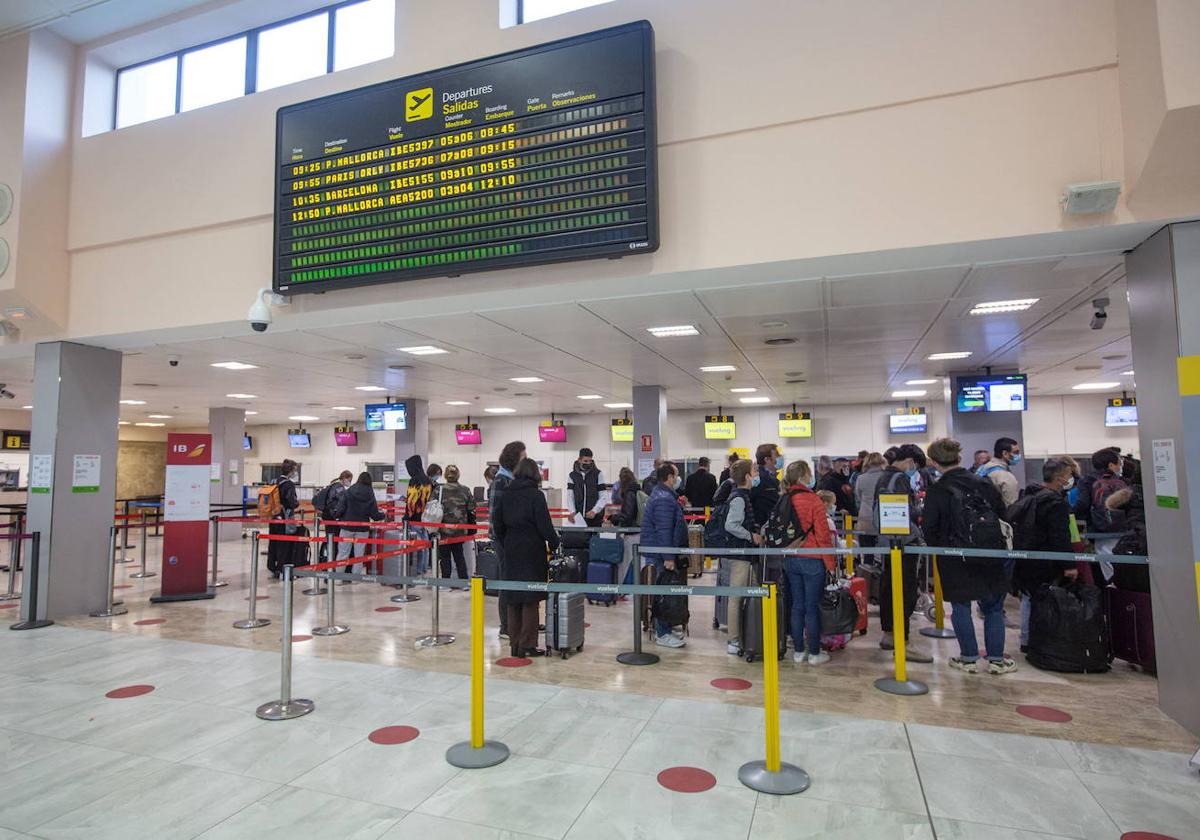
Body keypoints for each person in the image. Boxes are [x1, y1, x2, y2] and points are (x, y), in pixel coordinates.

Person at [923, 438, 1016, 675]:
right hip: (990, 551)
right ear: (959, 457)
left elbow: (930, 527)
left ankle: (969, 658)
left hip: (953, 554)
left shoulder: (937, 489)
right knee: (994, 607)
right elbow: (1002, 514)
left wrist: (939, 548)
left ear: (933, 462)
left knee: (961, 605)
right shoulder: (982, 482)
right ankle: (996, 659)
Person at [492, 457, 559, 658]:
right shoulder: (536, 496)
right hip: (532, 549)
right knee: (531, 598)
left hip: (512, 548)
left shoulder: (506, 494)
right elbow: (545, 525)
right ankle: (528, 645)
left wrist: (507, 542)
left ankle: (515, 644)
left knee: (513, 598)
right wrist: (555, 544)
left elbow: (497, 524)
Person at [872, 443, 933, 662]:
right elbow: (904, 511)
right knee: (904, 589)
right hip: (902, 542)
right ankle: (903, 641)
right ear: (909, 462)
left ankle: (890, 634)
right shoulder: (899, 479)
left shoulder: (884, 477)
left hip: (888, 542)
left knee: (889, 587)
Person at [1008, 458, 1076, 652]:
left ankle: (1027, 639)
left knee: (1028, 599)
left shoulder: (1029, 497)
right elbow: (1060, 536)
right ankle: (1040, 640)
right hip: (1046, 560)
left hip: (1027, 558)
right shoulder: (1055, 503)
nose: (1071, 479)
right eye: (1070, 475)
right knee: (1044, 599)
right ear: (1061, 478)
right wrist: (1069, 565)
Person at [781, 460, 836, 665]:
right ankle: (814, 653)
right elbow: (823, 535)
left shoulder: (785, 498)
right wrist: (830, 564)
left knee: (797, 605)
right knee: (811, 607)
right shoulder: (813, 500)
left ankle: (797, 651)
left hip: (790, 558)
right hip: (812, 558)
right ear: (805, 476)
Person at [640, 461, 688, 648]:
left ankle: (666, 627)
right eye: (675, 476)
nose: (677, 479)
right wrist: (668, 557)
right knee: (663, 592)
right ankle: (662, 633)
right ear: (668, 478)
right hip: (661, 554)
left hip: (661, 551)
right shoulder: (663, 499)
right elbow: (664, 530)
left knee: (666, 591)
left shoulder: (664, 496)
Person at [722, 459, 761, 655]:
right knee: (736, 597)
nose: (757, 474)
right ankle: (733, 640)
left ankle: (745, 635)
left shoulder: (743, 496)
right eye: (754, 470)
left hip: (746, 554)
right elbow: (731, 525)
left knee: (746, 595)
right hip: (740, 554)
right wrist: (750, 535)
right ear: (746, 476)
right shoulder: (738, 498)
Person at [489, 441, 526, 640]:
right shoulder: (500, 481)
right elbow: (495, 517)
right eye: (523, 457)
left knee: (513, 579)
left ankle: (516, 622)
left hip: (512, 540)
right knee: (506, 580)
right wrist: (504, 541)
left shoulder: (511, 479)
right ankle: (505, 626)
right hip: (503, 541)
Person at [1074, 447, 1128, 575]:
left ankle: (1112, 591)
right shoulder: (1122, 481)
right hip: (1123, 530)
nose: (1120, 467)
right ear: (1111, 465)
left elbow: (1083, 503)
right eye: (1119, 464)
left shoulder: (1087, 480)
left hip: (1100, 530)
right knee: (1123, 567)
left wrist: (1071, 514)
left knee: (1108, 568)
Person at [330, 472, 385, 575]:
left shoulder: (349, 490)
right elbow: (374, 515)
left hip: (347, 527)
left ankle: (338, 578)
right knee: (359, 555)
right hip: (362, 528)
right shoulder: (370, 493)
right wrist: (383, 515)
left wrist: (334, 515)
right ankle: (355, 578)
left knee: (343, 553)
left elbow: (341, 508)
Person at [437, 465, 475, 581]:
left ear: (445, 475)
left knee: (444, 557)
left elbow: (432, 507)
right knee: (459, 556)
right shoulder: (465, 490)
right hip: (460, 530)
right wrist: (472, 528)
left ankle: (445, 582)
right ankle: (463, 581)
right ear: (458, 475)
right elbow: (471, 510)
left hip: (443, 530)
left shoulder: (439, 490)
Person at [266, 459, 301, 579]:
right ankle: (282, 569)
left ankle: (272, 567)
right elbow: (292, 502)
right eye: (295, 470)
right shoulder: (288, 484)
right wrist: (296, 503)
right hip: (285, 517)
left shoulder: (273, 481)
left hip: (273, 516)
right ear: (290, 471)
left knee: (273, 542)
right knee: (284, 543)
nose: (295, 472)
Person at [404, 455, 434, 575]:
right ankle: (423, 569)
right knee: (425, 545)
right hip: (425, 518)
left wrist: (406, 517)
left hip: (414, 519)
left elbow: (411, 501)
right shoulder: (427, 480)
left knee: (415, 547)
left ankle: (416, 570)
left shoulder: (414, 480)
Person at [567, 448, 608, 528]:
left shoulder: (598, 474)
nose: (588, 463)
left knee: (594, 540)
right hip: (579, 518)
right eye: (585, 461)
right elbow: (570, 495)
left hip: (595, 517)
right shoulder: (572, 476)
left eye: (590, 461)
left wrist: (594, 510)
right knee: (580, 540)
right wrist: (572, 511)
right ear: (579, 460)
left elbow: (603, 495)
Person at [852, 452, 886, 547]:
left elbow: (858, 497)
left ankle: (868, 562)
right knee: (885, 552)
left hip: (865, 519)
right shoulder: (886, 477)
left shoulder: (861, 478)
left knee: (867, 552)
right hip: (883, 519)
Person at [976, 437, 1022, 507]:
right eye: (1016, 452)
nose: (1018, 455)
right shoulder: (1005, 476)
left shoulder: (982, 468)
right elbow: (1012, 507)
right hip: (999, 516)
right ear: (1005, 453)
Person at [314, 470, 353, 549]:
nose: (350, 482)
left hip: (326, 513)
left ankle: (328, 554)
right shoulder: (339, 487)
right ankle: (331, 555)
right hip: (332, 515)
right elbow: (341, 501)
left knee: (329, 535)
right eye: (349, 480)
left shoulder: (332, 484)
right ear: (344, 478)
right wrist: (337, 514)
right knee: (334, 536)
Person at [749, 443, 783, 526]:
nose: (780, 457)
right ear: (767, 459)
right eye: (777, 455)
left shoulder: (772, 477)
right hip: (762, 524)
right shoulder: (758, 478)